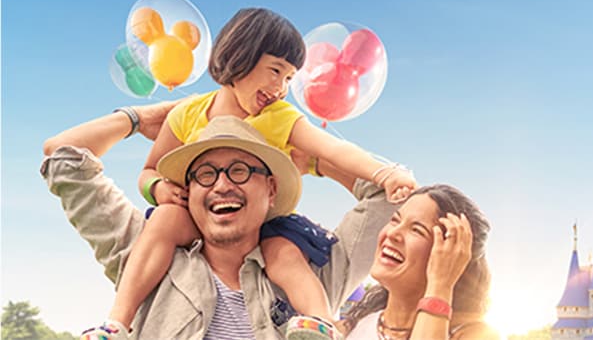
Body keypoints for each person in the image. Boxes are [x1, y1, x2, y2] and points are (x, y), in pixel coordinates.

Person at [86, 8, 416, 340]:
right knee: (165, 219)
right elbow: (148, 170)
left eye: (289, 78)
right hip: (200, 217)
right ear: (239, 57)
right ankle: (118, 322)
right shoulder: (188, 113)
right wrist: (157, 188)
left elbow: (333, 149)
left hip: (265, 224)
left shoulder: (278, 116)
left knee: (283, 253)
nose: (281, 88)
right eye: (275, 70)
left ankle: (320, 324)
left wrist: (384, 173)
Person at [41, 102, 398, 339]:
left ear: (272, 188)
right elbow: (64, 156)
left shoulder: (314, 271)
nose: (222, 185)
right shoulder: (144, 253)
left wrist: (314, 160)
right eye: (206, 174)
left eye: (240, 171)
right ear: (188, 192)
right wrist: (139, 119)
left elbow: (392, 195)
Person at [340, 184, 499, 340]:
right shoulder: (351, 328)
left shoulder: (476, 335)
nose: (393, 233)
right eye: (395, 220)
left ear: (451, 256)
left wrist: (440, 285)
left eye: (416, 230)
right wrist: (387, 176)